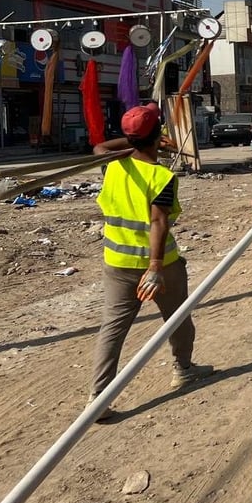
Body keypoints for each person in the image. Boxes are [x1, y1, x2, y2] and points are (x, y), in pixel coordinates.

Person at [89, 102, 207, 421]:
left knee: (113, 328)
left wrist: (134, 141)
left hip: (116, 263)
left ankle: (99, 398)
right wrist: (155, 266)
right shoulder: (161, 176)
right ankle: (183, 369)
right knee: (177, 319)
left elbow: (100, 146)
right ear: (158, 136)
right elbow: (158, 222)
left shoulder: (113, 166)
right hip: (160, 266)